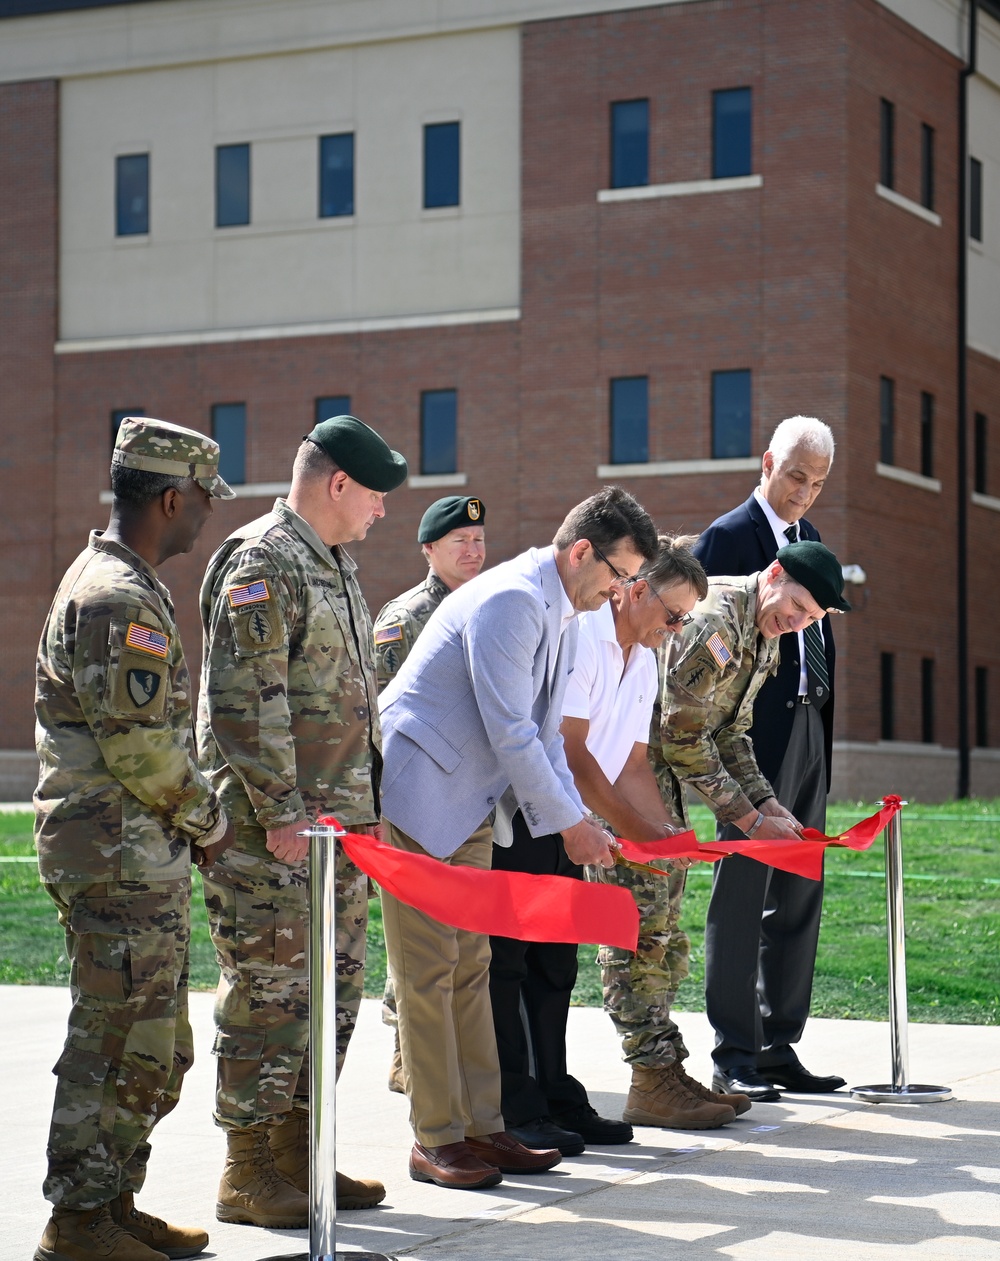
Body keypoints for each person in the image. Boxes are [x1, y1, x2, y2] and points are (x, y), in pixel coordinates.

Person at [378, 486, 658, 1191]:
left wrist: (581, 823)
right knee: (429, 972)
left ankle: (483, 1124)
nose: (621, 592)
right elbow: (512, 731)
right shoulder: (512, 599)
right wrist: (568, 822)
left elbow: (546, 735)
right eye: (618, 574)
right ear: (581, 551)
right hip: (420, 794)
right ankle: (436, 1137)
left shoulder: (560, 609)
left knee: (472, 964)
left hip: (468, 803)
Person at [196, 415, 406, 1227]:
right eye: (376, 494)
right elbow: (246, 699)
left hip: (338, 832)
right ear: (338, 483)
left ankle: (299, 1152)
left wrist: (370, 809)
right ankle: (247, 1168)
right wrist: (282, 812)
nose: (383, 510)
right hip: (272, 834)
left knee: (333, 995)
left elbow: (351, 705)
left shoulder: (336, 566)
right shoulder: (263, 561)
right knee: (269, 994)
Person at [33, 418, 235, 1261]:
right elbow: (143, 747)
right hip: (115, 858)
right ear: (170, 497)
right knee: (117, 1040)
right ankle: (78, 1220)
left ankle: (112, 1202)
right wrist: (211, 821)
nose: (205, 520)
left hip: (130, 858)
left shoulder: (123, 584)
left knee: (155, 1042)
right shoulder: (116, 596)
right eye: (201, 503)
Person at [560, 536, 754, 1134]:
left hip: (598, 809)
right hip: (548, 812)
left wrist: (669, 837)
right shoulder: (586, 639)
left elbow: (634, 765)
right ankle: (649, 1076)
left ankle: (661, 1071)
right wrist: (640, 832)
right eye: (672, 616)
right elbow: (576, 754)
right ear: (635, 589)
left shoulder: (643, 658)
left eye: (685, 620)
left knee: (660, 941)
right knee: (613, 945)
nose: (676, 630)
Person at [652, 538, 851, 1102]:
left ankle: (732, 1060)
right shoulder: (717, 621)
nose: (794, 622)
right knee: (649, 924)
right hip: (638, 767)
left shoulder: (765, 633)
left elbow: (732, 732)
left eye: (808, 619)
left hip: (674, 765)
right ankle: (672, 1072)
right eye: (796, 606)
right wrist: (745, 817)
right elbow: (682, 734)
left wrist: (767, 804)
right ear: (774, 573)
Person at [693, 416, 846, 1102]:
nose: (804, 494)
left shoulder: (810, 540)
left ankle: (780, 1040)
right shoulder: (728, 538)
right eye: (795, 477)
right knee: (745, 890)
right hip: (750, 741)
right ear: (766, 463)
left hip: (811, 727)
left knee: (799, 891)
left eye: (817, 484)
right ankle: (734, 1047)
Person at [372, 495, 487, 1094]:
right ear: (429, 551)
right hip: (416, 793)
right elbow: (386, 712)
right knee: (418, 935)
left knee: (460, 939)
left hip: (469, 796)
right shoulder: (407, 616)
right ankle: (405, 1048)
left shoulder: (489, 606)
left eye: (479, 541)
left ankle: (440, 1055)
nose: (473, 551)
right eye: (459, 542)